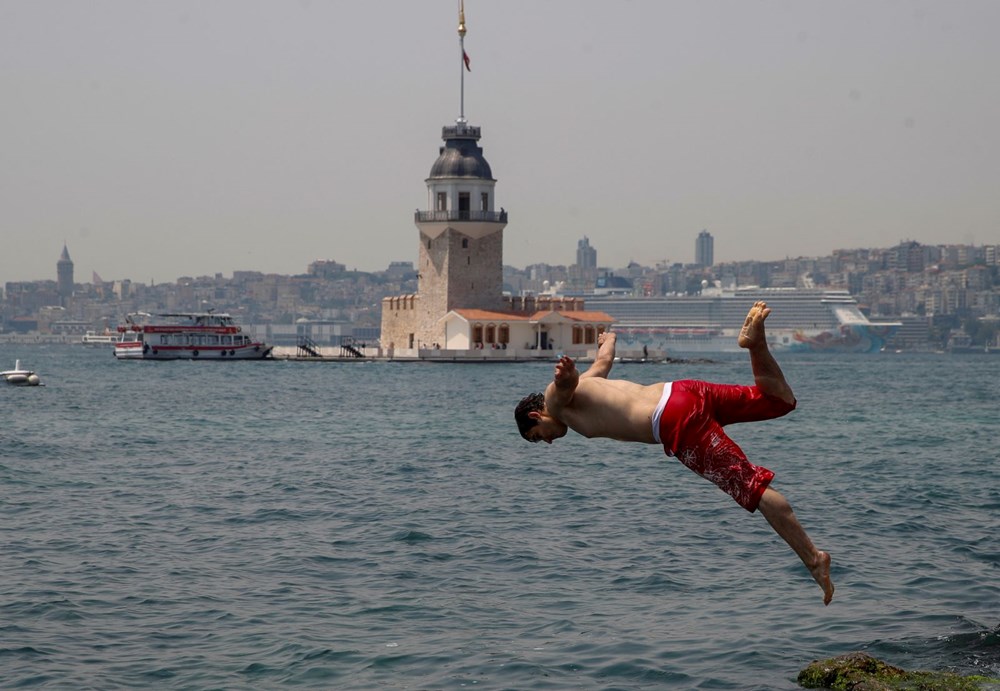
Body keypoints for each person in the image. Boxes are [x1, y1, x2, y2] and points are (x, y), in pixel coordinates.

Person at [514, 301, 834, 605]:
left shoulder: (555, 402)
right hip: (682, 391)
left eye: (540, 437)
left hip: (675, 422)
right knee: (779, 401)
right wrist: (608, 338)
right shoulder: (591, 381)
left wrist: (563, 376)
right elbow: (603, 360)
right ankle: (755, 345)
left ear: (535, 417)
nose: (550, 441)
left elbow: (563, 387)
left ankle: (813, 559)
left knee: (753, 487)